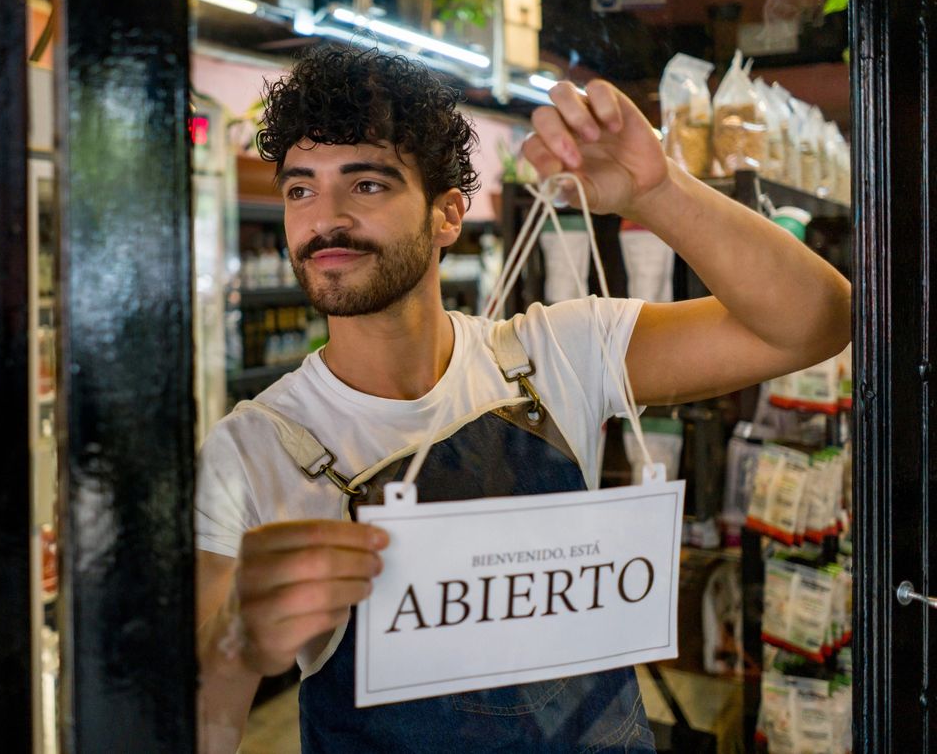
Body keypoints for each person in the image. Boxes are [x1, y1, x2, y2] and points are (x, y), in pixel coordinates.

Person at [196, 47, 851, 753]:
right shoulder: (253, 446)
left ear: (449, 215)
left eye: (367, 185)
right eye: (300, 189)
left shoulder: (553, 353)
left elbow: (814, 322)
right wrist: (235, 647)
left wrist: (657, 191)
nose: (325, 220)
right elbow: (203, 726)